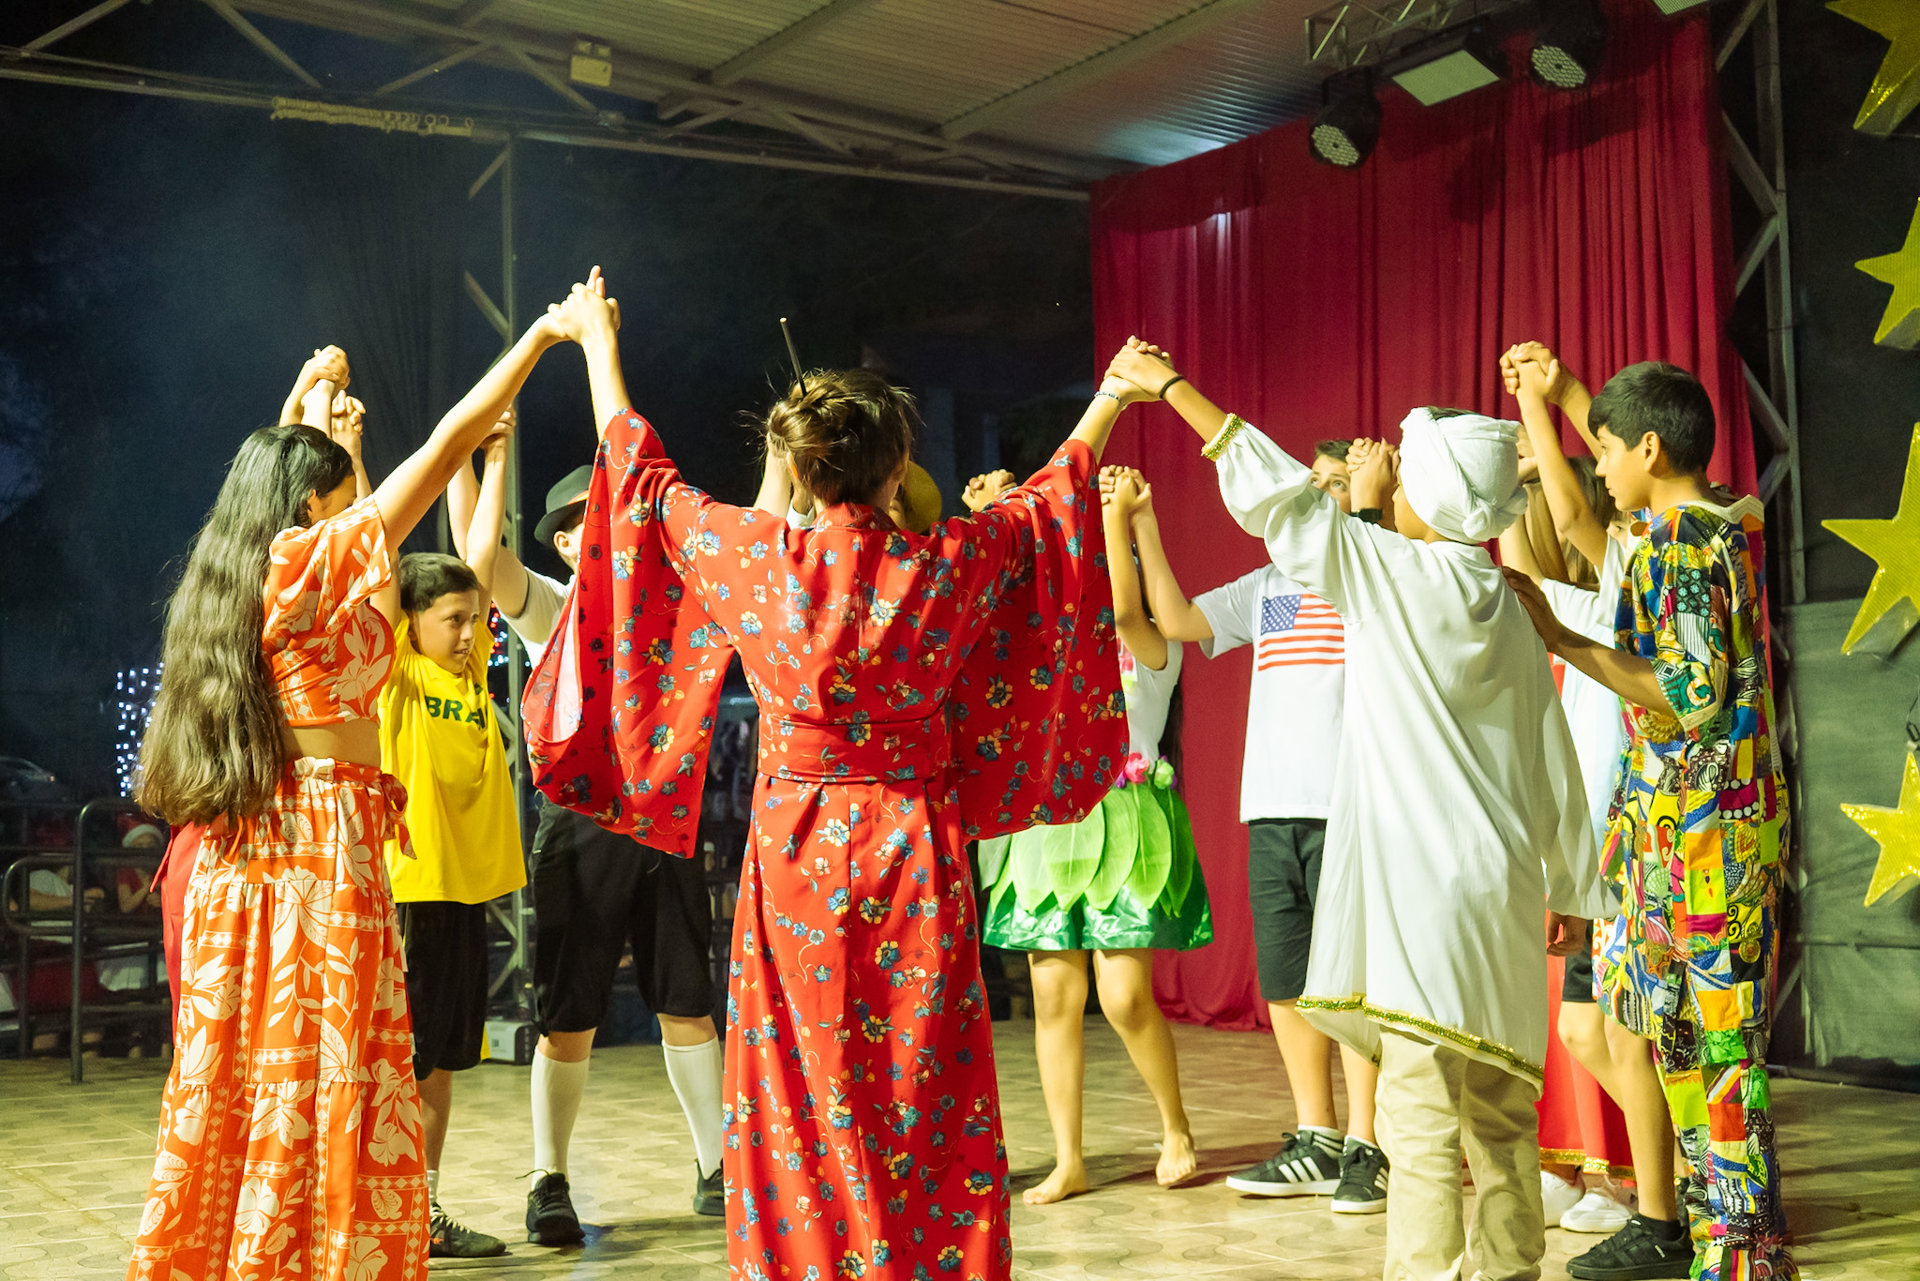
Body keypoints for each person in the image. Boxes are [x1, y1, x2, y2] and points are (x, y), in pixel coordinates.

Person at [520, 271, 1130, 1281]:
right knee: (921, 1080)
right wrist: (1107, 398)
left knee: (804, 1080)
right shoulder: (944, 564)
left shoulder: (756, 559)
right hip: (915, 848)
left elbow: (640, 475)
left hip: (798, 852)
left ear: (800, 469)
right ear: (899, 469)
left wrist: (597, 344)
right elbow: (1045, 505)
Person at [1109, 337, 1607, 1281]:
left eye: (1407, 476)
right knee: (1502, 1114)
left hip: (1424, 901)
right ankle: (1511, 1270)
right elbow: (1554, 758)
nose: (1394, 486)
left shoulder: (1394, 574)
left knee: (1418, 1120)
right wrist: (1576, 887)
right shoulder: (1509, 599)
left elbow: (1279, 497)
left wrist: (1172, 387)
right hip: (1500, 894)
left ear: (1438, 494)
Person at [127, 310, 575, 1281]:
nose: (355, 512)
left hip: (305, 831)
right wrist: (541, 340)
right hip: (312, 837)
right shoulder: (304, 562)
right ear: (308, 506)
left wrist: (316, 413)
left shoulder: (255, 570)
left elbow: (326, 538)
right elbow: (449, 442)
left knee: (285, 1065)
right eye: (338, 497)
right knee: (310, 1066)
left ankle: (283, 1255)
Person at [1504, 359, 1793, 1281]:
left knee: (1718, 1052)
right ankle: (1718, 1237)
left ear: (1651, 449)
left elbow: (1691, 693)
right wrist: (1559, 401)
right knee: (1681, 1044)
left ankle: (1743, 1254)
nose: (1599, 467)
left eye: (1606, 450)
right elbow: (1591, 516)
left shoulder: (1682, 540)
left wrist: (1566, 641)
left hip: (1708, 834)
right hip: (1681, 835)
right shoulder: (1715, 526)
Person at [447, 439, 727, 1245]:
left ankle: (717, 1166)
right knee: (569, 1010)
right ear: (569, 542)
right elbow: (478, 554)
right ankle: (549, 1177)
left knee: (687, 998)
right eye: (586, 520)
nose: (606, 528)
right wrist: (469, 454)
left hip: (664, 817)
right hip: (583, 824)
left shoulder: (672, 600)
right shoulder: (553, 604)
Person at [1133, 435, 1388, 1213]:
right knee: (1287, 981)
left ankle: (1368, 1144)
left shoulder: (1373, 571)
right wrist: (1144, 523)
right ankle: (1318, 1135)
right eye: (1310, 481)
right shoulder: (1267, 584)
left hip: (1351, 806)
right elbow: (1176, 619)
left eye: (1336, 483)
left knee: (1354, 984)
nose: (1316, 494)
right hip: (1273, 806)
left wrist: (1372, 504)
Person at [974, 463, 1212, 1206]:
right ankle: (1068, 1157)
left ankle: (1175, 1126)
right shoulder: (1050, 647)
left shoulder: (1151, 644)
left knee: (1125, 996)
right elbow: (999, 611)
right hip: (1048, 828)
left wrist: (1119, 517)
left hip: (1124, 824)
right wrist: (999, 518)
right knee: (1053, 996)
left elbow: (1121, 604)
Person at [375, 418, 528, 1259]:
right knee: (399, 1061)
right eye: (453, 620)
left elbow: (477, 551)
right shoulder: (398, 668)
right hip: (413, 890)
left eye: (474, 620)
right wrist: (354, 452)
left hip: (466, 893)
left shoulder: (466, 669)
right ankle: (381, 1209)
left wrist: (493, 459)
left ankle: (423, 1210)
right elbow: (375, 551)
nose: (471, 632)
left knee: (439, 1063)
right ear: (410, 622)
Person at [1498, 455, 1642, 1240]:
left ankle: (1642, 1174)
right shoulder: (1574, 614)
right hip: (1571, 847)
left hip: (1615, 847)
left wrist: (1534, 413)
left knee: (1598, 1026)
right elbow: (1526, 570)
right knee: (1574, 1024)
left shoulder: (1613, 602)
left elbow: (1564, 531)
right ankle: (1589, 1164)